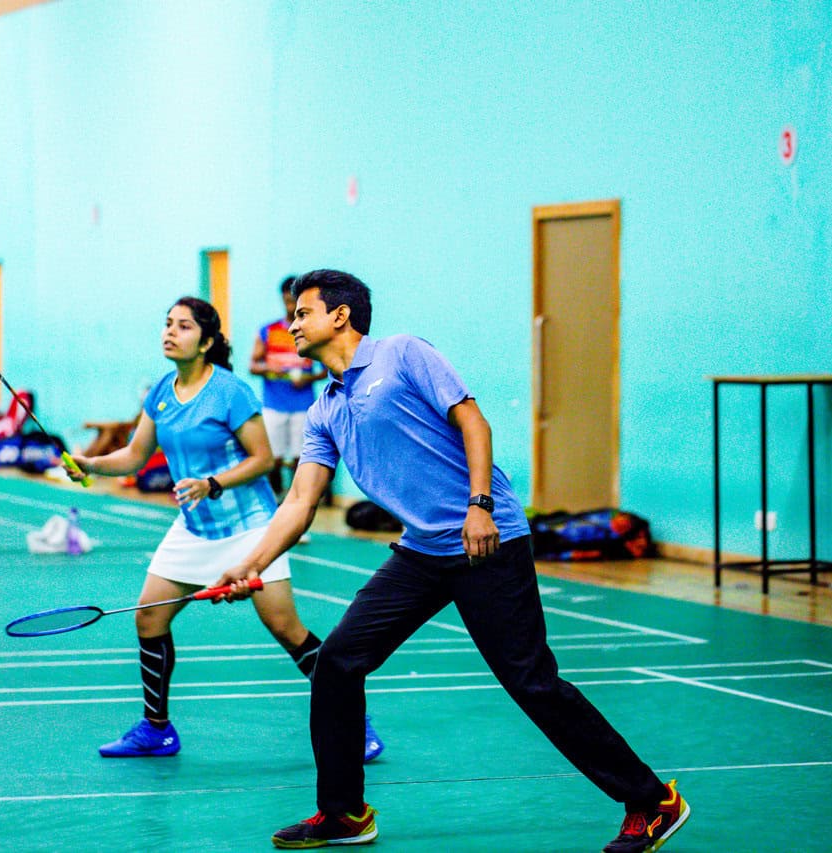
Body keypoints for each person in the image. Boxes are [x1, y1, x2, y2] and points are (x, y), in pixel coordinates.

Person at [217, 270, 689, 852]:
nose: (292, 324)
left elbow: (473, 420)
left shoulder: (402, 355)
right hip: (422, 550)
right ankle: (343, 813)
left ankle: (651, 801)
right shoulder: (325, 410)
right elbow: (299, 501)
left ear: (340, 316)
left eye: (302, 313)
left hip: (485, 540)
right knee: (337, 663)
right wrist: (251, 564)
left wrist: (480, 505)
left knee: (531, 682)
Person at [66, 296, 382, 763]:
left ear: (207, 341)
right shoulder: (161, 391)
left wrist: (212, 482)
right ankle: (156, 730)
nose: (170, 332)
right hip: (194, 527)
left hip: (249, 526)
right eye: (167, 323)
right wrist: (91, 462)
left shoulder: (230, 392)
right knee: (148, 617)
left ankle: (356, 725)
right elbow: (135, 456)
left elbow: (263, 459)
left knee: (286, 628)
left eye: (184, 326)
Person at [250, 276, 327, 495]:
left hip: (302, 404)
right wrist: (271, 369)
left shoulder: (311, 331)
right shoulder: (268, 330)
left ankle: (297, 497)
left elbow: (324, 369)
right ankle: (274, 496)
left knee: (300, 457)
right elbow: (253, 365)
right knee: (272, 455)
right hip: (273, 403)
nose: (290, 306)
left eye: (294, 301)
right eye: (287, 301)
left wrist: (307, 379)